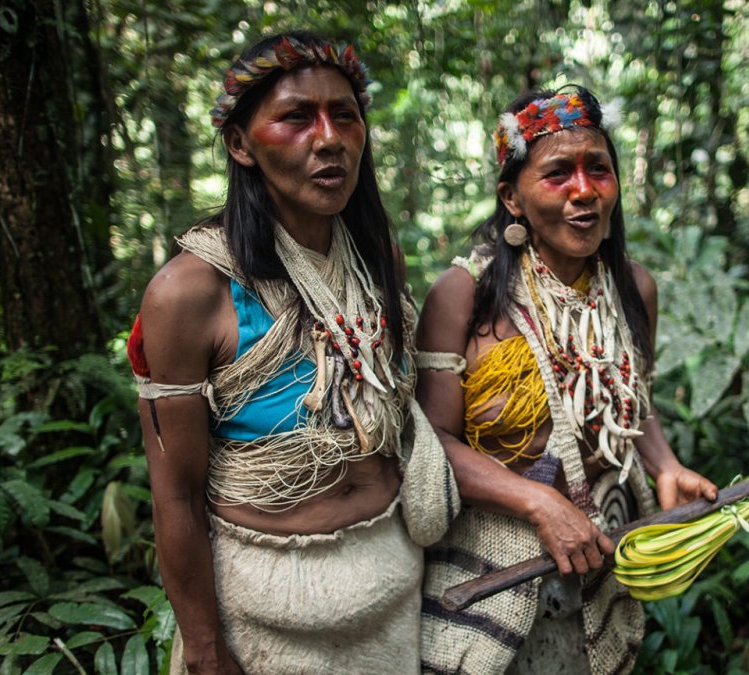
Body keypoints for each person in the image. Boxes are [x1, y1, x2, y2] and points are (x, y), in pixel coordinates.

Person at [126, 32, 456, 674]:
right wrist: (204, 651)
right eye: (296, 117)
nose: (328, 138)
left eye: (345, 115)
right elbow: (175, 496)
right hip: (263, 615)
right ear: (240, 144)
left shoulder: (374, 261)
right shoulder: (189, 294)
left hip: (390, 605)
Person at [416, 87, 718, 674]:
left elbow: (635, 398)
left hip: (600, 561)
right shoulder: (462, 295)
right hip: (490, 569)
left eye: (598, 169)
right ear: (512, 197)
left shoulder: (633, 287)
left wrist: (667, 466)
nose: (584, 191)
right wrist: (538, 502)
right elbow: (432, 445)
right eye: (557, 173)